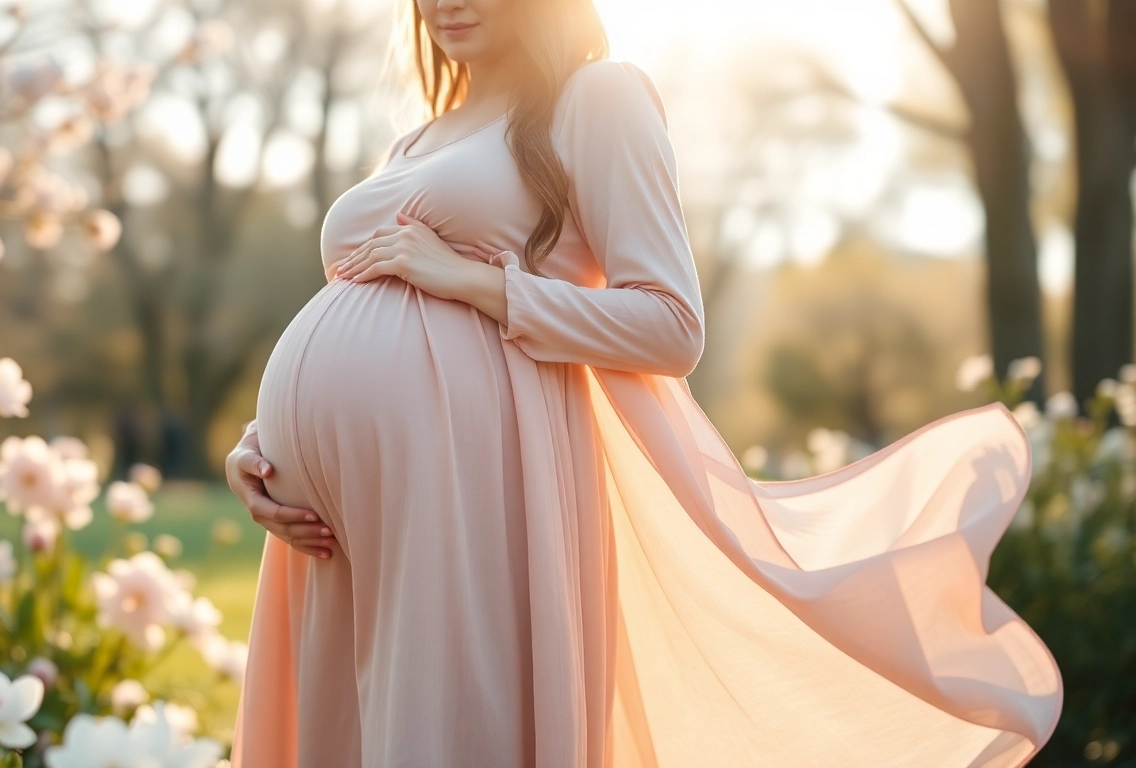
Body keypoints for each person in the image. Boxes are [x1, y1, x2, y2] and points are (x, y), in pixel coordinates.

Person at [225, 0, 1064, 765]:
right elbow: (362, 307)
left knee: (442, 729)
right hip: (335, 525)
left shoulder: (598, 98)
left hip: (471, 488)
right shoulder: (416, 141)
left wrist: (478, 282)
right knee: (347, 735)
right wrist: (264, 449)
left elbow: (670, 324)